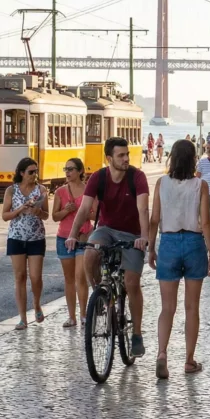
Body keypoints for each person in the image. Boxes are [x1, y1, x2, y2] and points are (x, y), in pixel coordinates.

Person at [65, 137, 151, 357]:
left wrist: (144, 237)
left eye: (127, 154)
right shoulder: (99, 177)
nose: (126, 159)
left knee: (131, 282)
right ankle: (100, 295)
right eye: (121, 155)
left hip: (132, 234)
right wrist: (72, 235)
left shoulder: (137, 177)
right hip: (106, 229)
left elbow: (143, 209)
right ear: (108, 158)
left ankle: (137, 334)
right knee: (90, 253)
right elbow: (84, 208)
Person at [148, 139, 210, 379]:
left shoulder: (161, 183)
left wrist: (151, 249)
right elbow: (205, 222)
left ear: (172, 158)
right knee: (191, 307)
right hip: (193, 243)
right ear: (193, 160)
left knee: (167, 307)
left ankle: (162, 353)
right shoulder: (201, 185)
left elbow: (154, 219)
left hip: (168, 242)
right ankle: (188, 360)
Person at [1, 157, 49, 330]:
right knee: (20, 276)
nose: (34, 175)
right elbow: (5, 215)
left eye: (36, 171)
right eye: (31, 172)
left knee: (35, 277)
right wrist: (21, 209)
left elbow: (46, 215)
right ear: (21, 173)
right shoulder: (11, 190)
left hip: (36, 237)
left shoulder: (41, 190)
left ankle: (36, 304)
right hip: (16, 237)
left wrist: (38, 211)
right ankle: (22, 318)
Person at [52, 157, 92, 328]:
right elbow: (55, 217)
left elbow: (96, 214)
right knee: (69, 279)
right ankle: (71, 317)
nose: (67, 172)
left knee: (80, 277)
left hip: (83, 238)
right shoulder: (60, 192)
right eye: (65, 169)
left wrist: (82, 212)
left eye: (71, 169)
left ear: (80, 171)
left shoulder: (89, 190)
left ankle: (83, 315)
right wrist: (66, 211)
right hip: (64, 237)